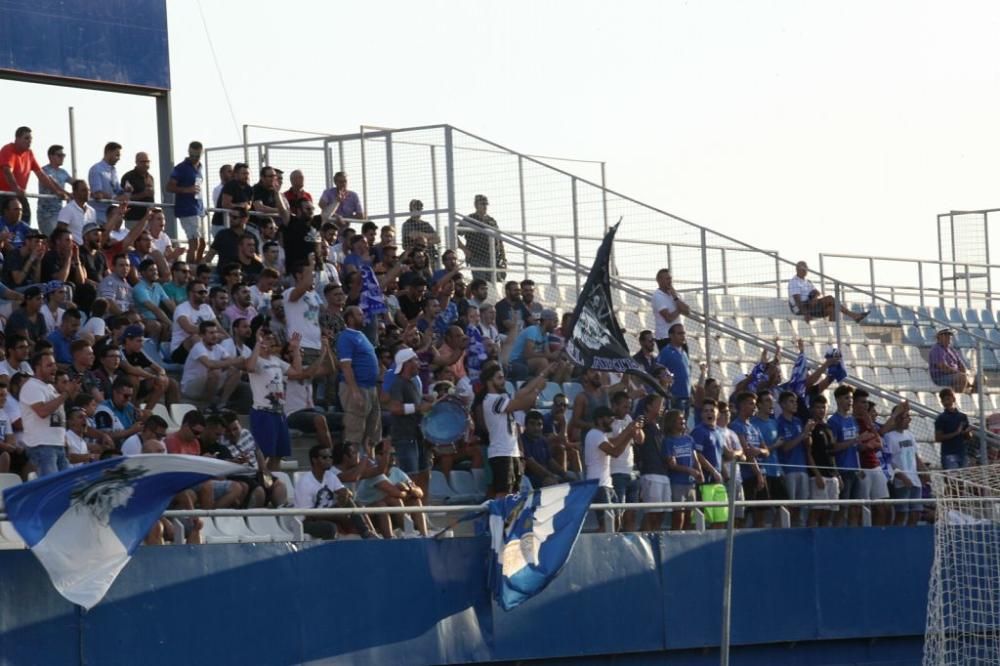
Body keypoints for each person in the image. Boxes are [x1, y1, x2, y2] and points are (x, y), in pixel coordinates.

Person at [246, 329, 307, 471]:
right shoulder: (256, 360)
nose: (272, 341)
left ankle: (273, 482)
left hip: (279, 412)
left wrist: (296, 349)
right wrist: (257, 344)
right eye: (268, 338)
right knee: (265, 454)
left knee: (278, 454)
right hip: (263, 412)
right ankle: (263, 482)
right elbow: (249, 367)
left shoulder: (276, 361)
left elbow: (297, 372)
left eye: (272, 339)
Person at [293, 444, 374, 540]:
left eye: (330, 457)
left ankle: (366, 534)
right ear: (314, 460)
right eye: (324, 457)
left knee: (352, 503)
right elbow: (308, 515)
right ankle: (329, 553)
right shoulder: (305, 482)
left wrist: (345, 493)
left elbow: (344, 492)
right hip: (305, 523)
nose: (329, 460)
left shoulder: (330, 476)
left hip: (326, 514)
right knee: (330, 528)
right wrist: (337, 515)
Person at [584, 404, 644, 532]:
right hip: (599, 485)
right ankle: (595, 545)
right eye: (609, 418)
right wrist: (629, 433)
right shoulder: (595, 434)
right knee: (607, 524)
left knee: (616, 522)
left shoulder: (600, 435)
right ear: (600, 420)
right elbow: (615, 452)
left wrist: (629, 431)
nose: (612, 421)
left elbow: (615, 442)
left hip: (607, 484)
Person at [386, 346, 435, 499]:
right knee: (410, 479)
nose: (419, 362)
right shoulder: (398, 383)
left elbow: (413, 403)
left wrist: (424, 399)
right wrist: (419, 406)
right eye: (415, 359)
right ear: (407, 363)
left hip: (418, 435)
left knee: (424, 475)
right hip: (405, 437)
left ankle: (422, 515)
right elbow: (395, 408)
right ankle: (409, 517)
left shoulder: (414, 382)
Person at [21, 350, 79, 476]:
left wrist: (64, 441)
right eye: (49, 365)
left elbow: (57, 418)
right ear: (37, 368)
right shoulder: (32, 386)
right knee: (51, 490)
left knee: (64, 487)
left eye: (54, 364)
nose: (54, 368)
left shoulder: (50, 388)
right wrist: (66, 393)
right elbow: (42, 411)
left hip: (57, 446)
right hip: (43, 447)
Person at [0, 127, 69, 223]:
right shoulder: (8, 149)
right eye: (26, 138)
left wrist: (56, 191)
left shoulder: (29, 153)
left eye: (31, 139)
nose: (29, 141)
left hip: (18, 194)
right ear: (17, 139)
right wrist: (16, 188)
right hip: (4, 195)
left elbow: (41, 175)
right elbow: (7, 171)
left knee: (25, 219)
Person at [774, 391, 815, 526]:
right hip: (788, 469)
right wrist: (803, 434)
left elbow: (806, 445)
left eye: (796, 401)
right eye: (791, 401)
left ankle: (797, 532)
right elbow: (785, 447)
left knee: (801, 506)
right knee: (789, 505)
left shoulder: (798, 421)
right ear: (783, 404)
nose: (795, 404)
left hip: (802, 467)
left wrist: (808, 436)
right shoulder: (779, 423)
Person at [787, 260, 867, 323]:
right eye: (803, 269)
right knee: (830, 298)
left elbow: (817, 292)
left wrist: (814, 298)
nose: (805, 270)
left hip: (811, 304)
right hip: (802, 308)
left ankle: (834, 333)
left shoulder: (807, 282)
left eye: (806, 268)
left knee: (832, 309)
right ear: (797, 269)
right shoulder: (794, 282)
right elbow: (797, 301)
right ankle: (853, 315)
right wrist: (806, 313)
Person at [166, 141, 206, 263]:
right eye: (192, 155)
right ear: (188, 152)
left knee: (203, 244)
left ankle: (197, 269)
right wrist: (186, 189)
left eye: (197, 156)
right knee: (195, 243)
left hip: (198, 208)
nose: (194, 158)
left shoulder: (200, 167)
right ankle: (190, 270)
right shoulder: (180, 168)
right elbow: (169, 187)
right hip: (187, 209)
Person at [828, 385, 862, 527]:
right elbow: (833, 447)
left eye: (851, 398)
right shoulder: (833, 421)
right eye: (846, 398)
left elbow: (856, 447)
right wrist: (854, 441)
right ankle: (838, 535)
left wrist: (859, 467)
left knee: (856, 507)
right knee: (842, 507)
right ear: (838, 399)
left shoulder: (853, 420)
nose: (850, 401)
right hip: (843, 469)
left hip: (854, 469)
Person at [884, 406, 923, 526]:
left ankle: (911, 539)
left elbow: (915, 455)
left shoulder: (910, 435)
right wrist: (901, 476)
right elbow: (889, 461)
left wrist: (924, 471)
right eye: (906, 417)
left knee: (916, 512)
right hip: (901, 481)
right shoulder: (889, 437)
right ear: (898, 418)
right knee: (902, 513)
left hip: (915, 479)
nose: (909, 420)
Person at [806, 395, 840, 528]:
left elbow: (832, 453)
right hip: (818, 476)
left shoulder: (828, 427)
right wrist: (817, 474)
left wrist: (837, 474)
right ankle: (811, 542)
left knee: (828, 513)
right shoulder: (810, 427)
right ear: (812, 409)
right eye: (818, 407)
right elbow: (808, 453)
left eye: (823, 407)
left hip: (832, 475)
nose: (821, 410)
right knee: (816, 511)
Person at [457, 194, 506, 282]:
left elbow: (500, 240)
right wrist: (464, 249)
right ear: (476, 205)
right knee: (480, 283)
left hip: (493, 257)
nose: (485, 206)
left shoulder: (491, 220)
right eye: (482, 204)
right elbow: (454, 233)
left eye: (486, 204)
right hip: (476, 256)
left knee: (494, 284)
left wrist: (503, 257)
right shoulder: (470, 219)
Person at [507, 308, 561, 381]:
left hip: (526, 361)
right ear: (546, 321)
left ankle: (553, 389)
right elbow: (527, 354)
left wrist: (559, 353)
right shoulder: (533, 330)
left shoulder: (544, 335)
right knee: (542, 362)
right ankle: (535, 386)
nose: (556, 325)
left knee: (561, 364)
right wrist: (550, 355)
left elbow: (547, 354)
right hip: (516, 361)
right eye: (554, 322)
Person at [656, 323, 691, 417]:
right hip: (674, 397)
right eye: (679, 333)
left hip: (686, 397)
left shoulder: (684, 352)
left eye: (684, 333)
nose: (683, 336)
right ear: (671, 335)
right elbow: (658, 370)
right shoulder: (666, 352)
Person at [37, 144, 72, 236]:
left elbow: (75, 183)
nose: (62, 158)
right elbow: (52, 182)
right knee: (53, 239)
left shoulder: (63, 172)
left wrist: (85, 190)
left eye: (63, 155)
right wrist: (67, 193)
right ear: (50, 156)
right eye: (59, 155)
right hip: (46, 215)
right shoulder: (44, 170)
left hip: (59, 214)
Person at [651, 268, 690, 350]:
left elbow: (687, 311)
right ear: (659, 280)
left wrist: (675, 297)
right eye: (667, 279)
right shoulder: (658, 296)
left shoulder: (674, 294)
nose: (670, 281)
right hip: (665, 337)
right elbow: (668, 318)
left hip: (679, 337)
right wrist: (679, 309)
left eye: (670, 278)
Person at [87, 141, 127, 223]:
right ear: (108, 152)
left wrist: (127, 191)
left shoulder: (113, 170)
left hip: (111, 215)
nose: (119, 158)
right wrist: (115, 198)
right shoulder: (96, 169)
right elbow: (97, 193)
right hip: (97, 216)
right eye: (117, 155)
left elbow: (118, 190)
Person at [935, 387, 974, 469]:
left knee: (962, 480)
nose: (946, 402)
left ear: (954, 399)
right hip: (949, 454)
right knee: (952, 480)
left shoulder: (963, 416)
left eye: (948, 399)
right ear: (941, 402)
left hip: (962, 453)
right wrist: (956, 432)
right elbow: (938, 438)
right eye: (944, 400)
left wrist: (967, 433)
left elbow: (968, 437)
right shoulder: (941, 418)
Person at [401, 199, 441, 268]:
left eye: (420, 208)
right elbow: (413, 235)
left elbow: (437, 239)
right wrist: (430, 236)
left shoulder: (426, 224)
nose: (419, 210)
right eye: (416, 208)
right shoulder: (407, 224)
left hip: (430, 258)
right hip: (415, 260)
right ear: (411, 209)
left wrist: (421, 237)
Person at [928, 328, 971, 392]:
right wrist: (959, 373)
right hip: (941, 377)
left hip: (953, 374)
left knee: (979, 379)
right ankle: (959, 397)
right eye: (945, 335)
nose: (948, 337)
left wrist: (964, 373)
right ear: (939, 337)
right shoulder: (936, 349)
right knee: (962, 377)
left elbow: (961, 364)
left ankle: (971, 398)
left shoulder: (951, 349)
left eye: (949, 335)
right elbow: (943, 368)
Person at [120, 152, 155, 221]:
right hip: (133, 218)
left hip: (148, 219)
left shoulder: (150, 177)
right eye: (143, 162)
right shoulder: (129, 177)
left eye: (148, 161)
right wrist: (143, 194)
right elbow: (123, 198)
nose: (146, 164)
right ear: (136, 162)